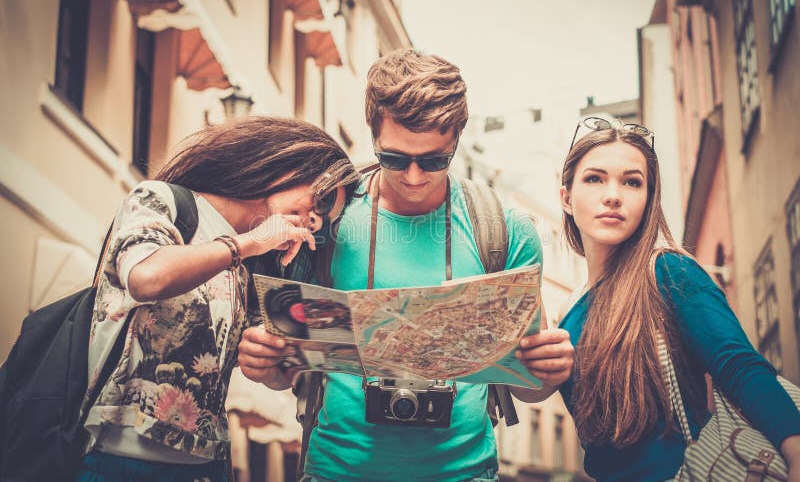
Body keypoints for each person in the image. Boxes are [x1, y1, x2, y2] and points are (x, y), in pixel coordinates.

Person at [237, 49, 575, 481]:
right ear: (372, 134)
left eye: (434, 160)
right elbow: (285, 374)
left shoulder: (505, 231)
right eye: (394, 159)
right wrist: (263, 362)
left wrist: (550, 369)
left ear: (457, 140)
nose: (414, 177)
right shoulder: (323, 218)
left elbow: (529, 387)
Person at [77, 116, 359, 481]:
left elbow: (270, 376)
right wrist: (250, 242)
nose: (316, 221)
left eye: (325, 219)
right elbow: (146, 278)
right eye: (320, 202)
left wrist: (269, 362)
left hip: (207, 466)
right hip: (116, 459)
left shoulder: (258, 263)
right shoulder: (164, 201)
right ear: (290, 164)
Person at [557, 116, 800, 481]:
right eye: (594, 178)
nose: (613, 195)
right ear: (567, 198)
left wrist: (796, 452)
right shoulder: (566, 315)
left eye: (632, 182)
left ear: (648, 200)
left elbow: (739, 366)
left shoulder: (669, 272)